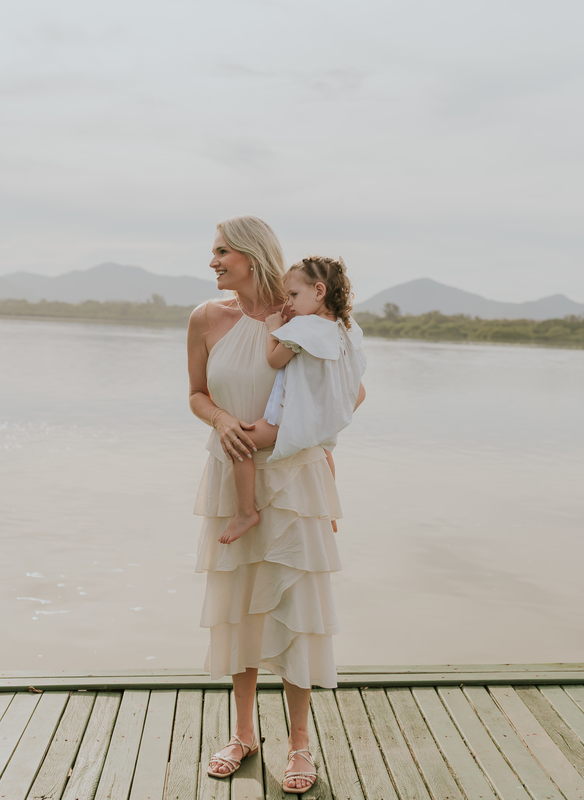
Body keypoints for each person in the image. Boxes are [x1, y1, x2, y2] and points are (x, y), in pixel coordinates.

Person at [187, 216, 365, 794]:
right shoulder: (206, 319)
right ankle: (242, 735)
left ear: (251, 254)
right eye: (213, 252)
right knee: (239, 605)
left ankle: (299, 745)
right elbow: (196, 394)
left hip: (294, 480)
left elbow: (350, 389)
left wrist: (302, 436)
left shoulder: (304, 322)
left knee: (297, 610)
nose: (212, 261)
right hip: (230, 470)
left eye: (221, 251)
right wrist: (221, 421)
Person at [217, 255, 367, 546]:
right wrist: (325, 414)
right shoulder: (345, 330)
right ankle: (329, 511)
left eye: (294, 295)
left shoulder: (303, 327)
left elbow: (274, 360)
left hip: (290, 417)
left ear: (319, 291)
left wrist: (272, 327)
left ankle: (246, 512)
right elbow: (359, 389)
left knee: (241, 444)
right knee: (322, 452)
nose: (290, 304)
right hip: (322, 419)